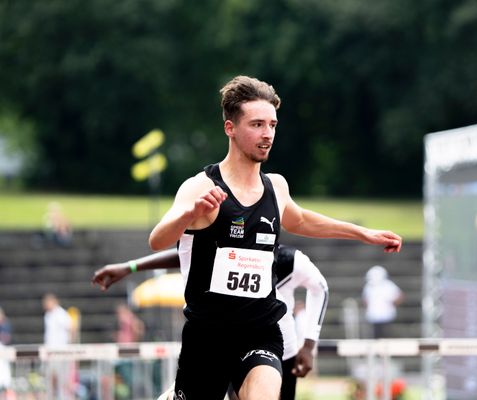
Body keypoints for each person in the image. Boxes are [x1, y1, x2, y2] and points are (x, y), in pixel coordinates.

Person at [146, 74, 401, 400]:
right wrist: (188, 214)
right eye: (256, 125)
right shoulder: (201, 187)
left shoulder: (275, 187)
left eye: (272, 125)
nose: (267, 134)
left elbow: (304, 220)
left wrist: (363, 233)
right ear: (230, 129)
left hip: (261, 331)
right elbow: (157, 239)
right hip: (208, 335)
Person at [93, 244, 329, 400]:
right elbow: (184, 251)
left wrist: (309, 345)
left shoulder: (289, 260)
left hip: (278, 352)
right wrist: (131, 266)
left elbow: (320, 288)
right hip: (225, 342)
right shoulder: (223, 239)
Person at [362, 265, 403, 339]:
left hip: (387, 315)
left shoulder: (389, 285)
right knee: (375, 336)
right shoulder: (368, 286)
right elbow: (366, 300)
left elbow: (399, 296)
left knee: (386, 335)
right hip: (373, 315)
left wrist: (392, 304)